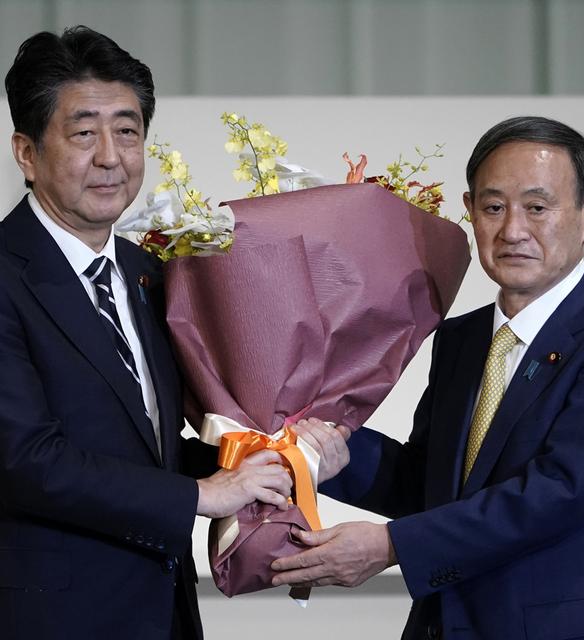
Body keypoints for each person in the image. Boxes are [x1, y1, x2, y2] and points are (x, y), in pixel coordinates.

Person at [274, 116, 584, 639]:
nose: (512, 230)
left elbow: (559, 492)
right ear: (469, 212)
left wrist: (392, 546)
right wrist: (329, 449)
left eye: (537, 208)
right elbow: (433, 484)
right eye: (493, 207)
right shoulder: (461, 338)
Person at [0, 26, 292, 640]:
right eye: (83, 133)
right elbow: (24, 459)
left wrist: (275, 456)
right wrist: (200, 495)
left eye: (128, 131)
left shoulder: (147, 273)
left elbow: (147, 446)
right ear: (26, 151)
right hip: (48, 616)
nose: (111, 156)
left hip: (163, 611)